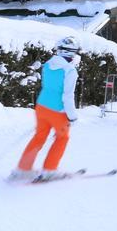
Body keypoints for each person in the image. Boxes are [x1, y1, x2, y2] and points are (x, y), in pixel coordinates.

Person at [9, 40, 80, 182]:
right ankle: (50, 170)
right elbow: (67, 96)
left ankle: (23, 169)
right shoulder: (70, 70)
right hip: (57, 111)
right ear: (72, 53)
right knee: (62, 138)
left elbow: (47, 86)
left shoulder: (47, 65)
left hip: (41, 106)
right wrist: (72, 116)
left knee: (39, 137)